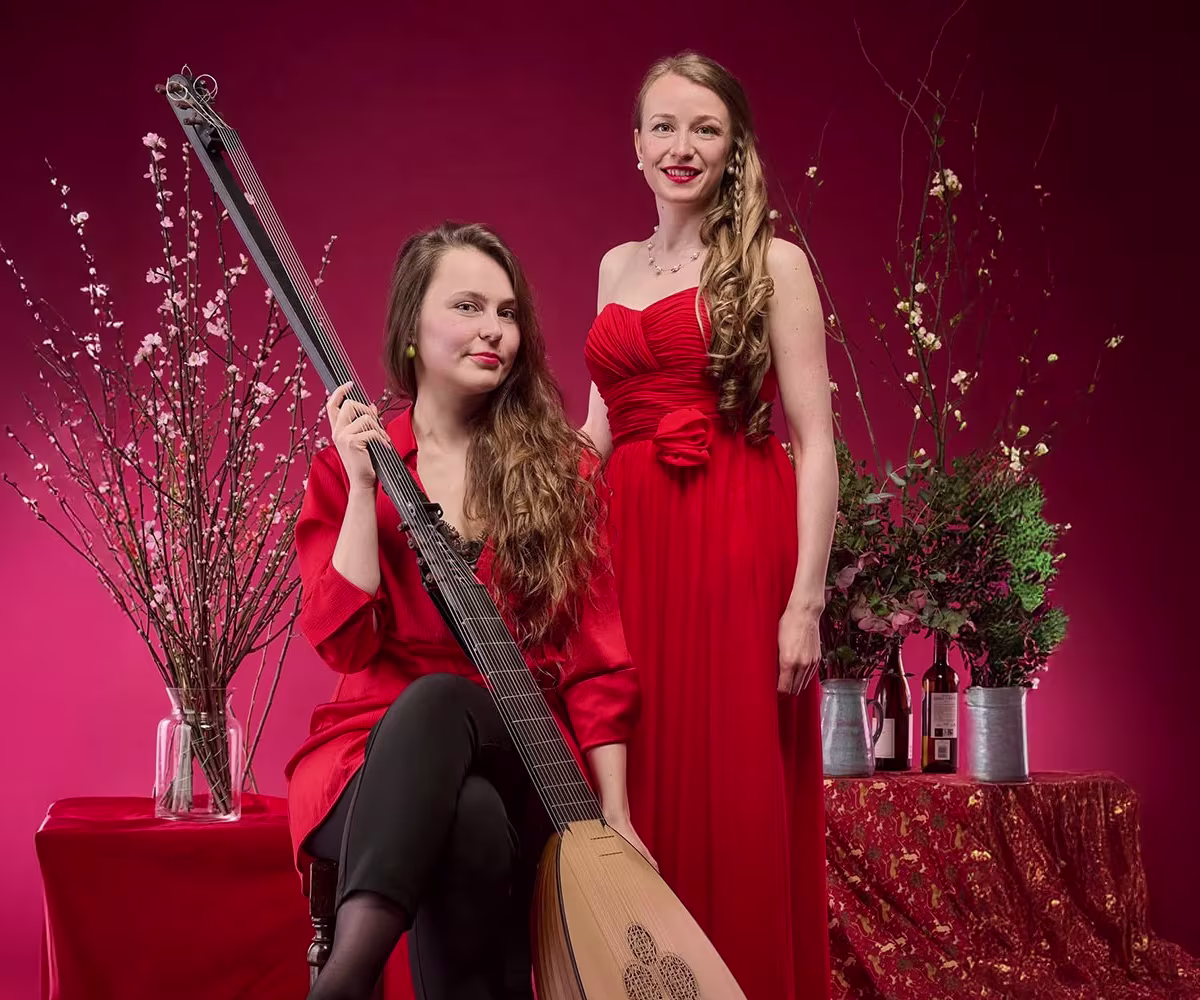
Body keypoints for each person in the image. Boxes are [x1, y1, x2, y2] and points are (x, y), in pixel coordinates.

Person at [285, 221, 649, 1000]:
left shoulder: (560, 469)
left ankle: (340, 984)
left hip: (522, 744)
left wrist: (616, 817)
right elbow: (346, 645)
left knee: (448, 701)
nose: (496, 330)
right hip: (368, 758)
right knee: (471, 823)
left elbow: (597, 658)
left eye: (508, 312)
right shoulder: (348, 462)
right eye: (469, 306)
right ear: (412, 327)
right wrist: (360, 486)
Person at [581, 52, 836, 1000]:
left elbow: (816, 442)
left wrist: (804, 603)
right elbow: (598, 431)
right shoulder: (614, 264)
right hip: (628, 543)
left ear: (734, 150)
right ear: (636, 144)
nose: (681, 147)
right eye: (664, 127)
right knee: (632, 773)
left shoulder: (775, 263)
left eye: (706, 129)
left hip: (736, 536)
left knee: (731, 788)